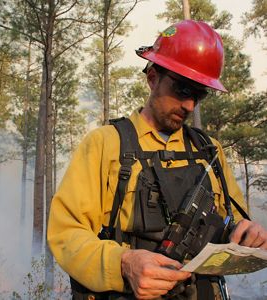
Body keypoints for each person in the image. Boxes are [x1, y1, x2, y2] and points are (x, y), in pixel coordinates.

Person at [47, 20, 267, 300]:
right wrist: (124, 264)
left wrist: (245, 233)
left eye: (198, 95)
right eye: (183, 90)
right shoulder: (105, 144)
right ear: (152, 78)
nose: (189, 105)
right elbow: (65, 233)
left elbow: (232, 221)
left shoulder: (209, 150)